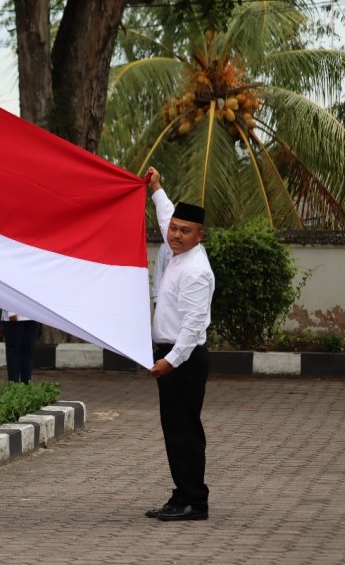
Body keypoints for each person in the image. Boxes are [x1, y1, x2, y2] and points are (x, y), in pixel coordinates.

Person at [144, 166, 215, 522]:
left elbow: (192, 327)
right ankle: (182, 494)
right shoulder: (178, 251)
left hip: (183, 360)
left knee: (184, 431)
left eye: (185, 231)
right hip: (172, 356)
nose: (174, 234)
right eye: (174, 228)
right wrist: (157, 188)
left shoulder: (195, 271)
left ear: (200, 235)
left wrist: (169, 362)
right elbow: (166, 215)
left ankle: (194, 501)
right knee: (175, 430)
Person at [0, 309, 41, 384]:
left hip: (34, 316)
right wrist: (11, 312)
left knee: (29, 351)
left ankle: (26, 385)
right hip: (15, 317)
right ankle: (13, 385)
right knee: (14, 351)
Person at [150, 241, 172, 307]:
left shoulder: (197, 250)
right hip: (166, 296)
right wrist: (156, 298)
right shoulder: (164, 248)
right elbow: (158, 273)